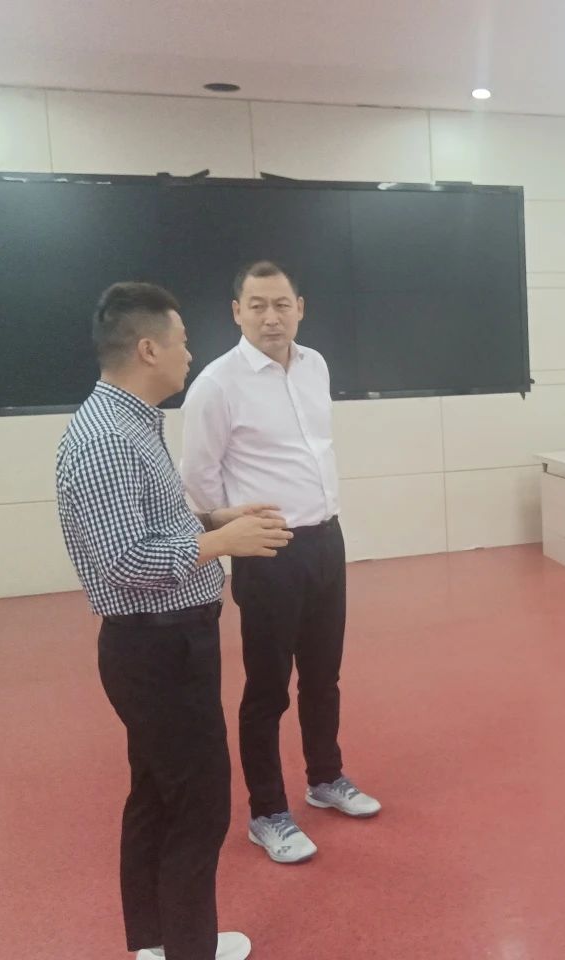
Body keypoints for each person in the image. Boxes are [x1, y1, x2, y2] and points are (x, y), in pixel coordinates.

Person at [56, 281, 293, 960]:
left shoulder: (133, 423)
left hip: (167, 643)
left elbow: (150, 523)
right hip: (157, 650)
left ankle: (159, 943)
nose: (191, 354)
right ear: (148, 348)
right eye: (183, 341)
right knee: (198, 805)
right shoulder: (107, 439)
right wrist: (220, 544)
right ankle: (190, 949)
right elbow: (125, 560)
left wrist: (213, 518)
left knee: (158, 796)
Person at [181, 260, 380, 867]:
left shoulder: (315, 364)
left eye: (282, 304)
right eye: (258, 305)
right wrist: (233, 533)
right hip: (268, 550)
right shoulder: (217, 384)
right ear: (236, 312)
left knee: (323, 676)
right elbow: (198, 478)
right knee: (267, 688)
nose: (272, 317)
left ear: (300, 308)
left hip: (326, 540)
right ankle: (267, 811)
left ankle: (326, 777)